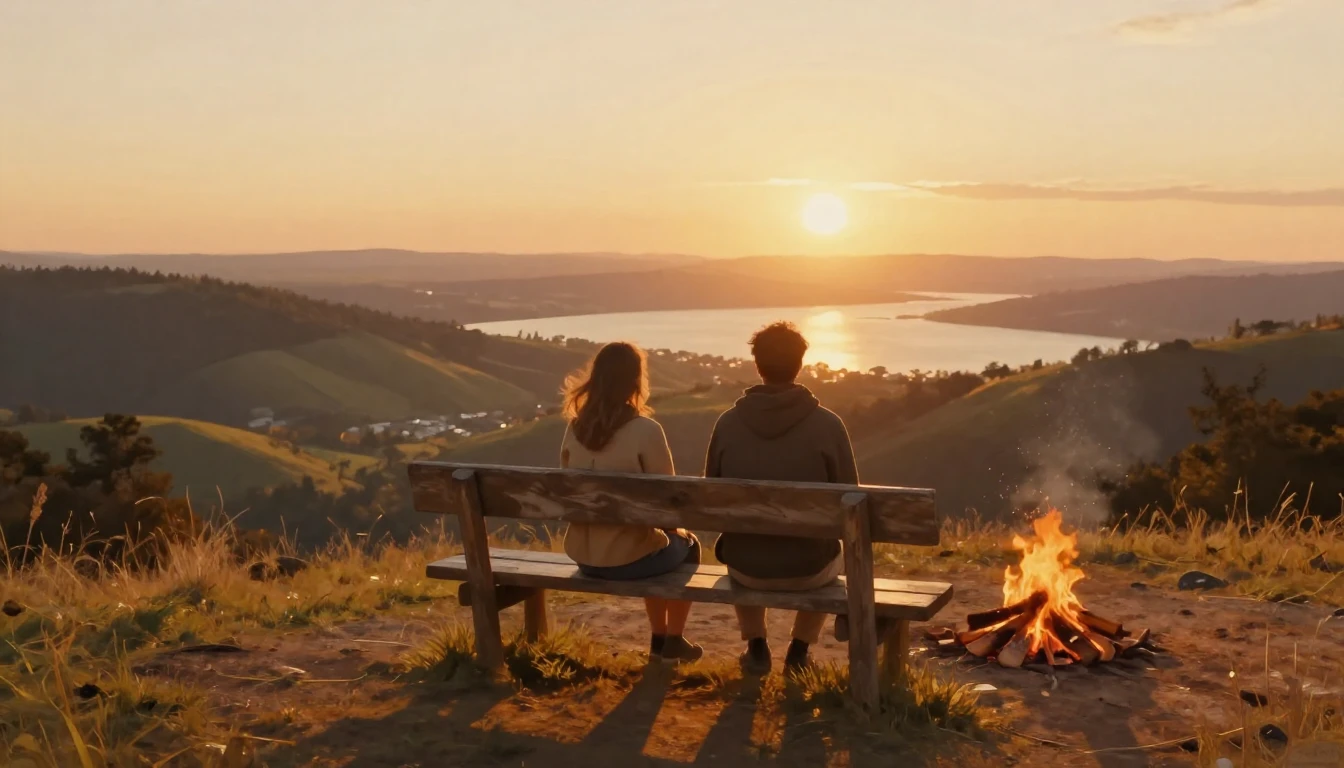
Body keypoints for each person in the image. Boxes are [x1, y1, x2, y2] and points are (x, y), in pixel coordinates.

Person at [704, 322, 858, 674]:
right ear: (799, 363)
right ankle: (800, 649)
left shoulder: (727, 424)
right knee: (830, 552)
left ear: (757, 364)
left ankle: (756, 644)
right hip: (809, 569)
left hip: (746, 566)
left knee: (744, 542)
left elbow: (710, 494)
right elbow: (851, 499)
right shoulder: (828, 425)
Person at [560, 341, 703, 662]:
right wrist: (676, 530)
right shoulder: (645, 430)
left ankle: (660, 641)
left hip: (584, 557)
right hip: (627, 561)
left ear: (595, 379)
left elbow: (567, 489)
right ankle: (670, 640)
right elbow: (670, 502)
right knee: (688, 545)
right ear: (634, 381)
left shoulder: (574, 428)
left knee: (660, 541)